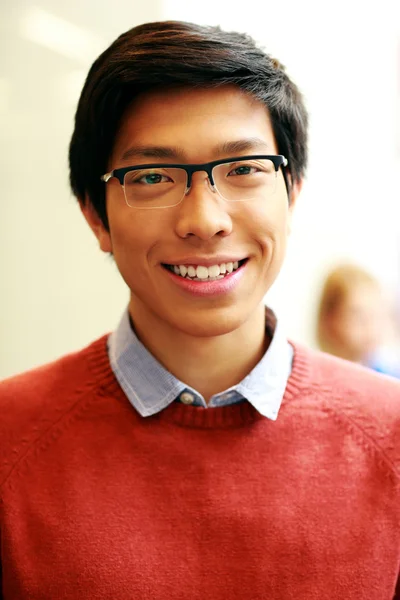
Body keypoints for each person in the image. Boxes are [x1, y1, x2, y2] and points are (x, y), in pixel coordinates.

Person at [0, 20, 399, 600]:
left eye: (242, 169)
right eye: (154, 176)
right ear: (95, 215)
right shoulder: (10, 442)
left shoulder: (390, 436)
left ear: (292, 195)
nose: (205, 220)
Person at [316, 262, 400, 377]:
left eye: (376, 316)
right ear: (330, 319)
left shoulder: (390, 378)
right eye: (358, 317)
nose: (371, 328)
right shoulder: (319, 375)